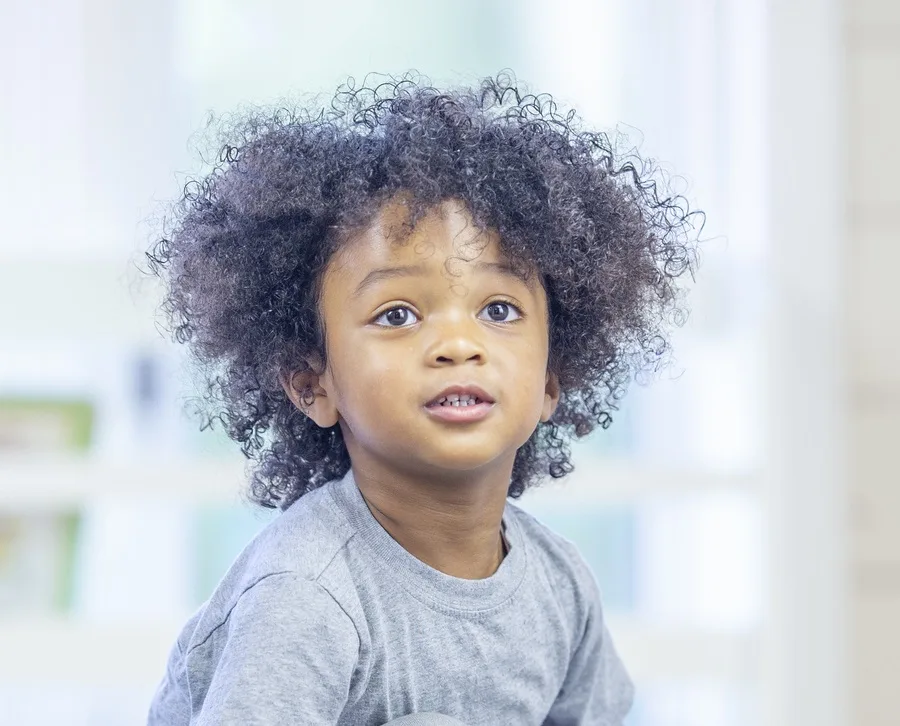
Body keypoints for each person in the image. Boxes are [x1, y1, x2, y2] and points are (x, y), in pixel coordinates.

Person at [143, 70, 699, 725]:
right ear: (311, 383)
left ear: (552, 378)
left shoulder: (558, 583)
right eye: (399, 315)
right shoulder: (305, 594)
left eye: (498, 308)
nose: (458, 343)